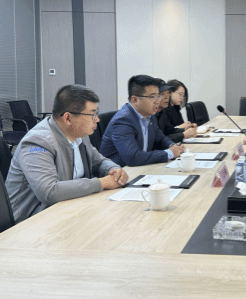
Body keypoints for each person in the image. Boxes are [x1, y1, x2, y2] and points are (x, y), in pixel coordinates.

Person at [6, 85, 128, 224]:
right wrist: (102, 183)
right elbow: (49, 192)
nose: (97, 120)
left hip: (70, 209)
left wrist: (113, 170)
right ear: (68, 118)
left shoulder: (78, 134)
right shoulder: (37, 142)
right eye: (92, 114)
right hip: (32, 222)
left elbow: (99, 162)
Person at [100, 75, 186, 167]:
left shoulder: (149, 115)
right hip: (119, 171)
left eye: (158, 96)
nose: (157, 101)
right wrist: (169, 153)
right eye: (152, 97)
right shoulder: (123, 121)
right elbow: (132, 157)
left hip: (141, 167)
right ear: (135, 100)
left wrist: (171, 145)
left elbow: (160, 138)